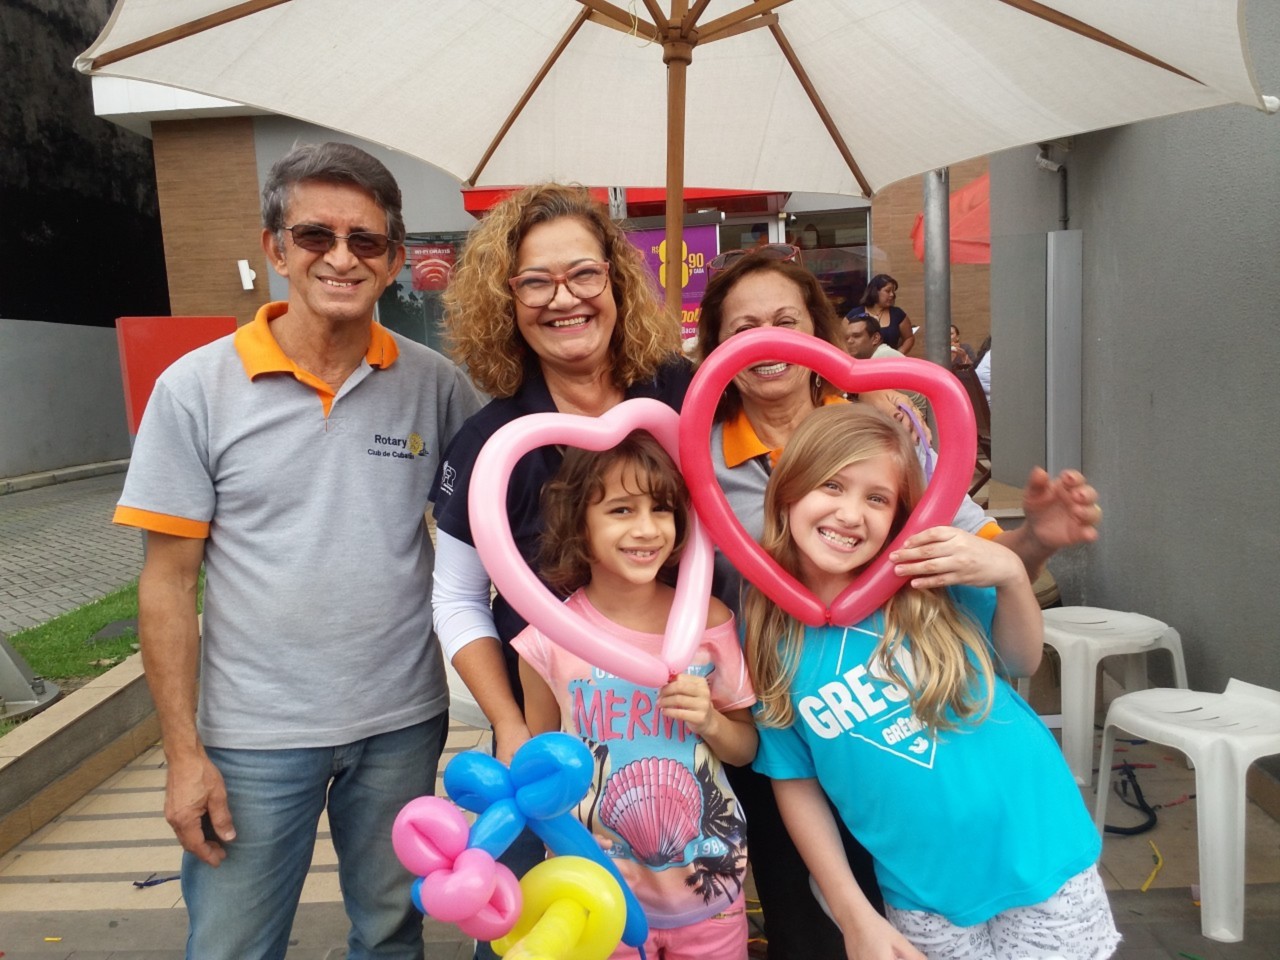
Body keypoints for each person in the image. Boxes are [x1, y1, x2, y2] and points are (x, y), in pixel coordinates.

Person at [113, 142, 483, 960]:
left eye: (366, 240)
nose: (342, 258)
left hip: (401, 723)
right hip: (252, 736)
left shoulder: (437, 386)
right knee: (234, 945)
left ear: (393, 260)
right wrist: (182, 755)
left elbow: (488, 534)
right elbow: (166, 586)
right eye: (317, 235)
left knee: (390, 935)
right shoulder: (194, 390)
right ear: (275, 248)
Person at [693, 250, 1103, 960]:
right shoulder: (695, 456)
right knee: (817, 928)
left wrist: (1029, 546)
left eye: (786, 321)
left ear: (817, 332)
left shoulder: (890, 437)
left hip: (1017, 843)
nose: (848, 514)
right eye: (744, 327)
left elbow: (990, 587)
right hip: (800, 706)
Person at [746, 404, 1119, 960]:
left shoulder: (928, 579)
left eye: (877, 498)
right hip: (921, 894)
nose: (851, 514)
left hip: (1045, 856)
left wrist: (1012, 575)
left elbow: (1021, 659)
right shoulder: (768, 635)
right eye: (832, 485)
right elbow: (794, 780)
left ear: (899, 516)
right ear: (787, 491)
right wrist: (853, 915)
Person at [429, 183, 688, 959]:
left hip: (685, 722)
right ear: (506, 302)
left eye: (583, 274)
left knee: (683, 922)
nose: (563, 298)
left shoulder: (679, 393)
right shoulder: (488, 439)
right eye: (535, 282)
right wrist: (510, 725)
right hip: (549, 742)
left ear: (616, 279)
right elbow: (457, 599)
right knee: (537, 931)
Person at [514, 432, 757, 960]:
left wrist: (711, 722)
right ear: (579, 522)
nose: (647, 529)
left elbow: (746, 749)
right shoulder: (545, 640)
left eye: (661, 509)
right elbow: (537, 765)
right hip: (596, 895)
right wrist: (560, 838)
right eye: (621, 509)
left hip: (710, 891)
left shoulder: (710, 622)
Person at [848, 273, 914, 354]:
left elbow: (909, 338)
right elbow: (841, 338)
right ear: (875, 291)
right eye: (887, 291)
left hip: (889, 360)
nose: (892, 295)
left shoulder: (897, 314)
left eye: (893, 291)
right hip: (862, 361)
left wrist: (898, 354)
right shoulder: (855, 314)